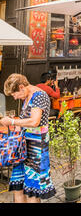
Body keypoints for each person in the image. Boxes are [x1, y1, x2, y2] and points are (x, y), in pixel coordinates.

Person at [0, 74, 56, 203]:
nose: (14, 98)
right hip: (23, 147)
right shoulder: (27, 97)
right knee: (18, 185)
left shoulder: (39, 96)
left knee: (32, 189)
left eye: (14, 94)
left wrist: (13, 122)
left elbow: (35, 122)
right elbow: (26, 121)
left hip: (36, 147)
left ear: (21, 87)